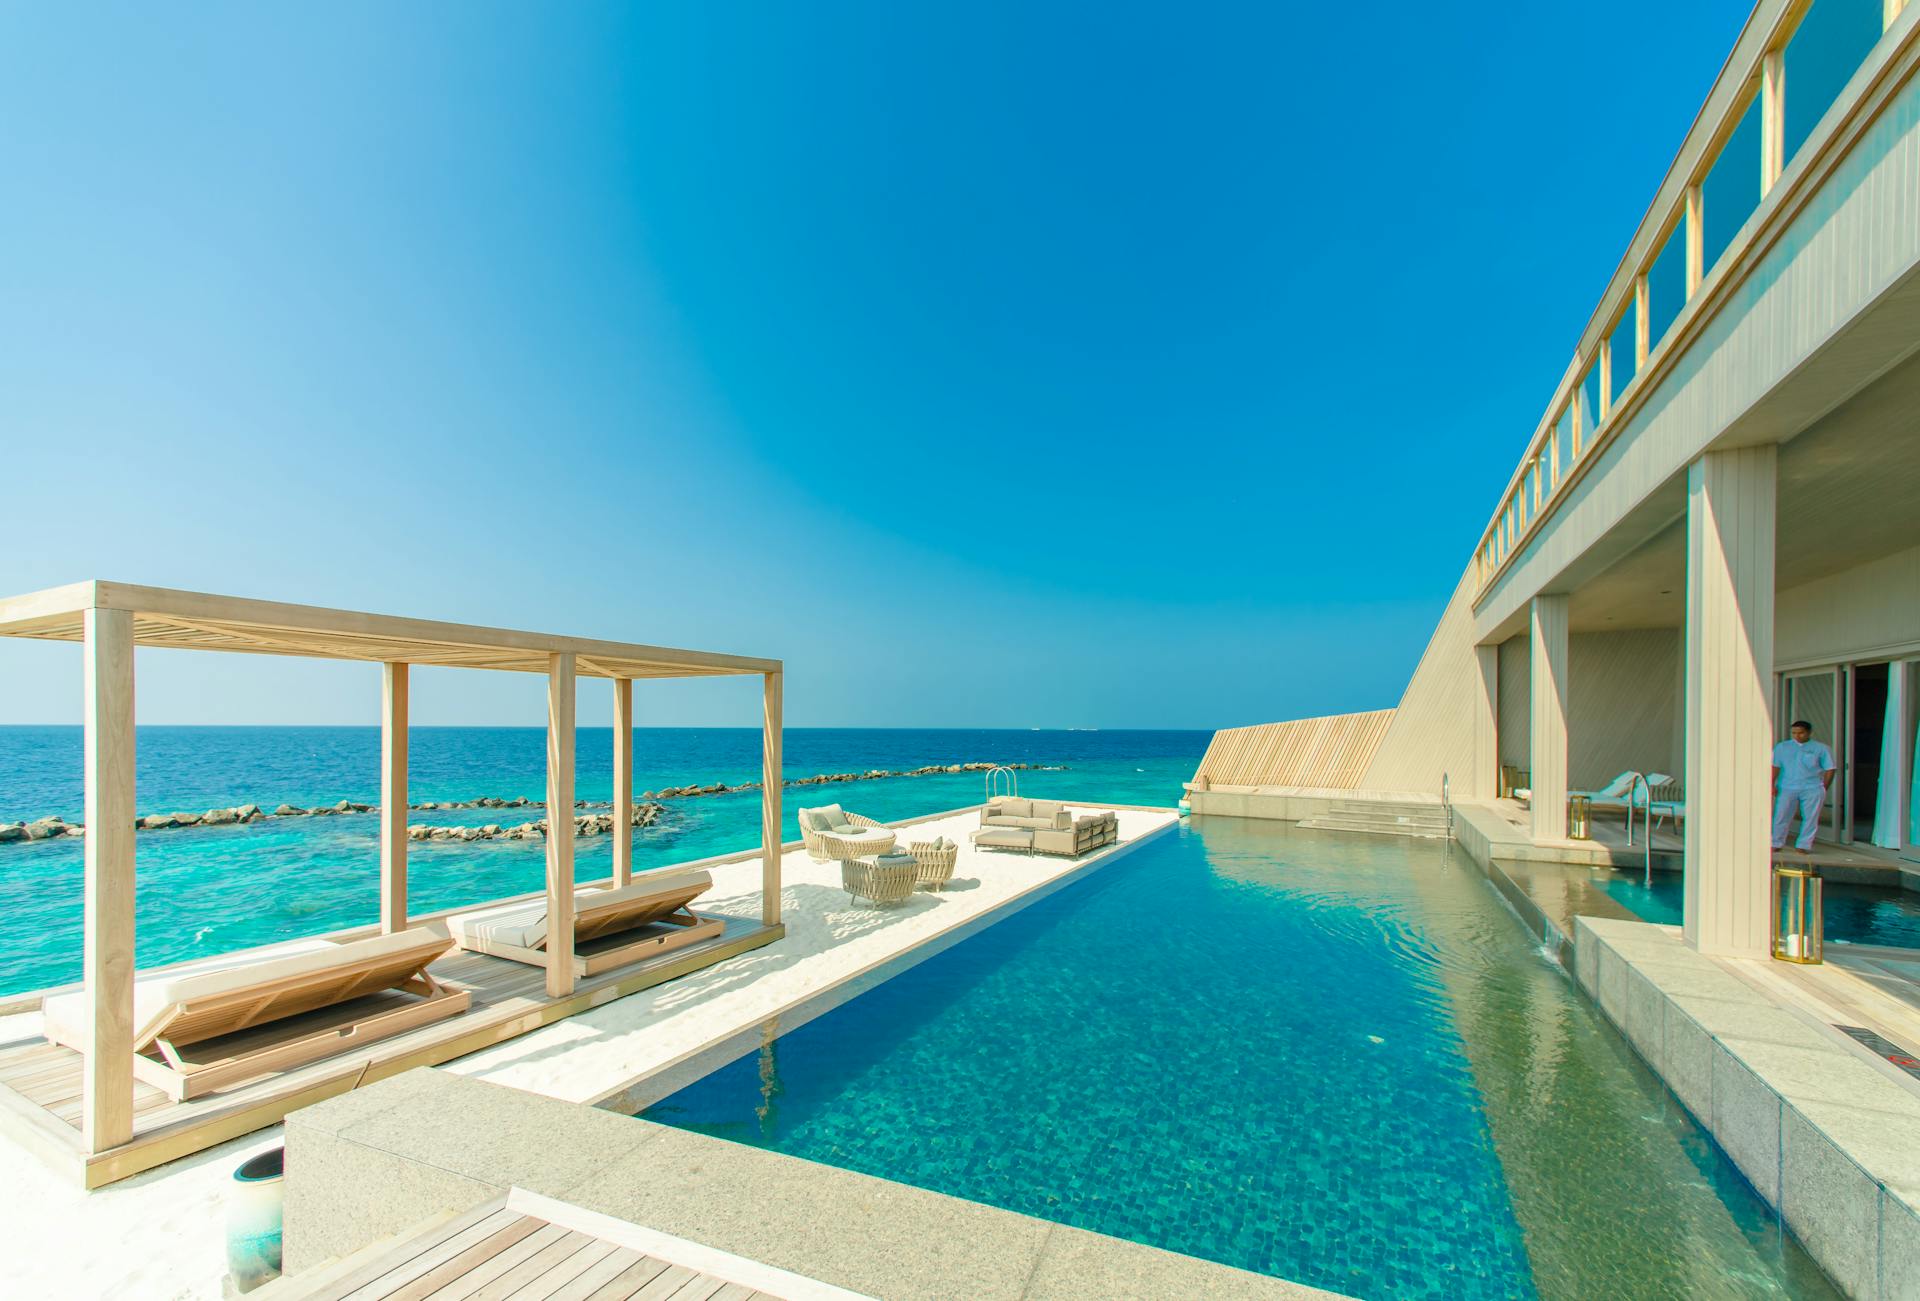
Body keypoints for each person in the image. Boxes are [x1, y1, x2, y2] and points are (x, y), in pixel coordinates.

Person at [1771, 720, 1836, 854]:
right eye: (1794, 733)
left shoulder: (1821, 748)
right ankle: (1776, 842)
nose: (1797, 736)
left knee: (1811, 817)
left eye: (1801, 733)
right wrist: (1771, 783)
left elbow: (1830, 768)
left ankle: (1804, 845)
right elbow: (1775, 766)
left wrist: (1824, 786)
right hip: (1787, 786)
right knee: (1781, 815)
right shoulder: (1782, 747)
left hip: (1812, 787)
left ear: (1809, 733)